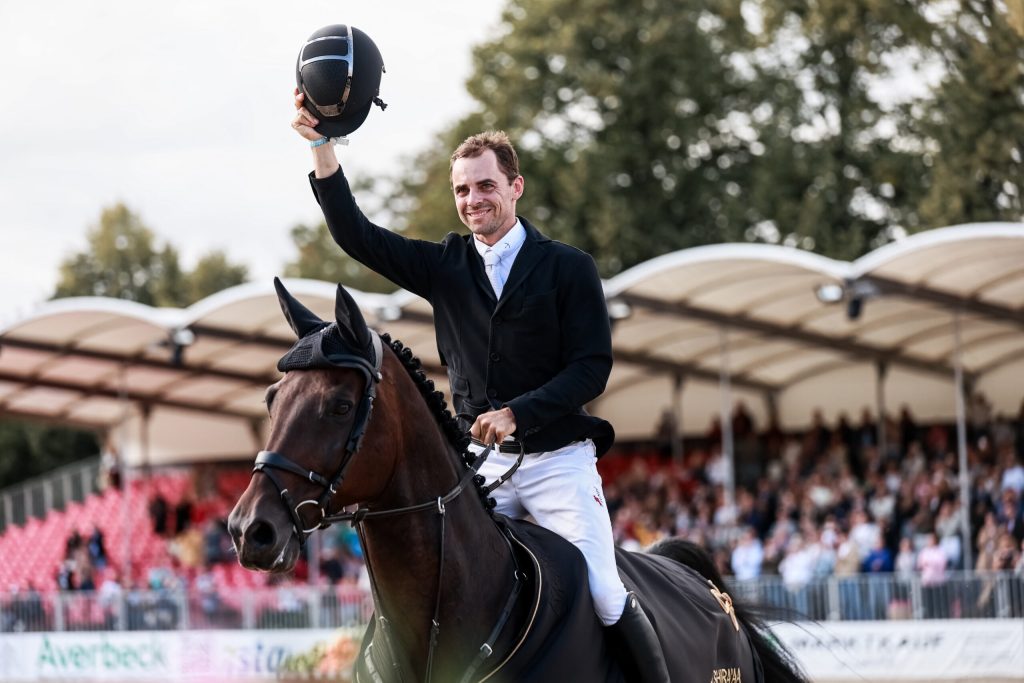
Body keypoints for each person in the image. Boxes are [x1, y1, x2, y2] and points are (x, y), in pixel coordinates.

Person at [292, 94, 669, 681]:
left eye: (486, 186)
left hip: (557, 462)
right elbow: (356, 235)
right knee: (418, 589)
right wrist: (322, 148)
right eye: (463, 191)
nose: (473, 201)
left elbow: (591, 368)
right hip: (480, 469)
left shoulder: (569, 267)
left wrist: (519, 412)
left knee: (604, 592)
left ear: (515, 187)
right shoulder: (445, 266)